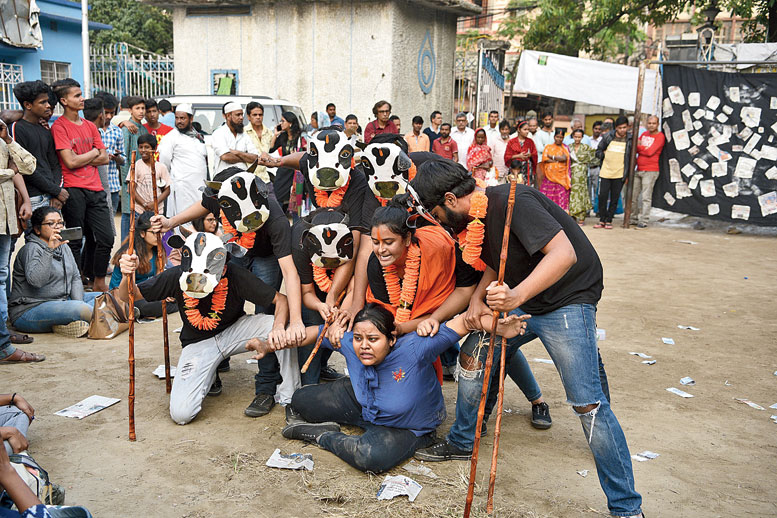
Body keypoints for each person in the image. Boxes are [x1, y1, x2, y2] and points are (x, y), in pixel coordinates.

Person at [409, 160, 644, 518]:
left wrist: (515, 297)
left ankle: (626, 508)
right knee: (473, 354)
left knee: (588, 403)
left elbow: (564, 254)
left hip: (568, 298)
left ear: (451, 199)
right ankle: (462, 440)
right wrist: (478, 299)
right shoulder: (476, 218)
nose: (439, 223)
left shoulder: (513, 200)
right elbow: (495, 258)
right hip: (523, 298)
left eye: (437, 214)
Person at [252, 304, 529, 473]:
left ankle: (322, 435)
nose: (363, 346)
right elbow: (316, 334)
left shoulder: (416, 348)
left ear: (392, 339)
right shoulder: (351, 343)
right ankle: (348, 418)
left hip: (408, 427)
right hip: (363, 403)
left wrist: (499, 328)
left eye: (373, 339)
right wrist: (269, 345)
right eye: (358, 338)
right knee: (300, 400)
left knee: (369, 457)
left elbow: (465, 321)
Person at [150, 167, 306, 418]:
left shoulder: (276, 219)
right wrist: (171, 222)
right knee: (217, 286)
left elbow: (290, 273)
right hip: (234, 247)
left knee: (267, 312)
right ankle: (215, 359)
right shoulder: (218, 197)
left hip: (266, 257)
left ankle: (266, 386)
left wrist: (294, 320)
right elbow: (203, 205)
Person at [117, 231, 289, 424]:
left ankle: (290, 394)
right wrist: (127, 275)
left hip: (235, 332)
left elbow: (281, 300)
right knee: (181, 414)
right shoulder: (176, 276)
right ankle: (209, 374)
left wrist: (278, 329)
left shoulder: (234, 274)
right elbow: (127, 296)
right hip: (198, 344)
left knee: (287, 329)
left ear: (223, 266)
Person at [50, 78, 112, 292]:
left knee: (106, 237)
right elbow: (70, 162)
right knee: (75, 240)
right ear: (64, 100)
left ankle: (98, 280)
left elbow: (104, 158)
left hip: (96, 188)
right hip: (73, 189)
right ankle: (76, 283)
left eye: (81, 94)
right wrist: (93, 152)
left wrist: (82, 157)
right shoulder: (59, 127)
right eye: (76, 95)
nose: (82, 98)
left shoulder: (89, 125)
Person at [9, 207, 98, 338]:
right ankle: (96, 319)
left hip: (62, 302)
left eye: (60, 223)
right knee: (85, 309)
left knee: (108, 298)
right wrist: (49, 250)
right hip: (30, 310)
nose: (57, 227)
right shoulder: (31, 249)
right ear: (37, 229)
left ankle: (69, 322)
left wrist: (77, 303)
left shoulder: (64, 246)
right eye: (51, 223)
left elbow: (75, 277)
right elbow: (37, 281)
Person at [11, 81, 66, 216]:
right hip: (33, 198)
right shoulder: (17, 128)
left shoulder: (45, 129)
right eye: (43, 102)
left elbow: (54, 164)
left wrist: (56, 192)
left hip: (52, 196)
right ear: (28, 105)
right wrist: (56, 190)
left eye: (47, 101)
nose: (48, 106)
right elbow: (24, 168)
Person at [109, 212, 177, 319]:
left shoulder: (157, 251)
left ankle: (141, 311)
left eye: (161, 233)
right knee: (153, 306)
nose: (159, 236)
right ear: (142, 233)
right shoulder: (131, 253)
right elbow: (129, 290)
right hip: (124, 295)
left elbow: (158, 280)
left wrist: (165, 294)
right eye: (154, 233)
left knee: (176, 297)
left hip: (145, 293)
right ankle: (134, 311)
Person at [157, 103, 208, 219]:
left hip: (199, 186)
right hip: (182, 187)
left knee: (199, 217)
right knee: (183, 218)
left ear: (191, 119)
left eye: (183, 118)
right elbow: (164, 162)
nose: (179, 121)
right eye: (177, 118)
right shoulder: (170, 137)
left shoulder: (198, 137)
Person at [119, 96, 149, 240]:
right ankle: (124, 249)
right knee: (128, 213)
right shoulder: (127, 129)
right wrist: (128, 181)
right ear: (130, 110)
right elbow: (124, 158)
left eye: (143, 108)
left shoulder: (143, 129)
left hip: (142, 179)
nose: (141, 111)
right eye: (137, 108)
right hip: (130, 179)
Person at [595, 116, 631, 229]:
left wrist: (627, 175)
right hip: (606, 171)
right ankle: (602, 219)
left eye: (624, 127)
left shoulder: (630, 139)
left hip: (620, 173)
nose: (622, 130)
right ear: (616, 128)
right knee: (602, 196)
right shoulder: (608, 136)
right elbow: (598, 151)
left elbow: (631, 158)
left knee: (615, 198)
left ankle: (609, 220)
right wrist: (603, 154)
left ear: (627, 127)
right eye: (620, 128)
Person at [93, 91, 125, 215]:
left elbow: (123, 160)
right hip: (94, 185)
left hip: (113, 186)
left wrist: (116, 157)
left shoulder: (117, 131)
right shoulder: (89, 129)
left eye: (112, 113)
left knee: (110, 221)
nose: (109, 116)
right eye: (106, 112)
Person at [269, 111, 307, 215]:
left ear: (290, 123)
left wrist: (297, 154)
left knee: (296, 196)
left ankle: (296, 219)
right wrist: (275, 135)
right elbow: (271, 149)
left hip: (296, 170)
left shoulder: (300, 136)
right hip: (284, 169)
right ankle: (278, 216)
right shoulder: (283, 136)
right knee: (278, 194)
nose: (280, 123)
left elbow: (306, 151)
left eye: (283, 121)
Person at [630, 115, 665, 228]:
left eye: (654, 123)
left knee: (646, 197)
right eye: (649, 123)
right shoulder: (644, 134)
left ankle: (644, 220)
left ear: (658, 124)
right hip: (639, 169)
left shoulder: (660, 136)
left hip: (651, 170)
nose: (651, 125)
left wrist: (640, 147)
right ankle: (633, 218)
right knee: (633, 196)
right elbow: (634, 147)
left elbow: (650, 152)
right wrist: (642, 148)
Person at [212, 102, 258, 175]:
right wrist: (245, 157)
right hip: (224, 177)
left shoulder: (244, 135)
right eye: (238, 115)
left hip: (243, 176)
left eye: (242, 114)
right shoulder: (219, 133)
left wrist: (237, 152)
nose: (241, 118)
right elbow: (225, 157)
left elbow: (254, 158)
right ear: (228, 116)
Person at [130, 134, 171, 214]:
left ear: (154, 149)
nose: (143, 150)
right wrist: (144, 204)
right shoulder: (135, 165)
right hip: (139, 210)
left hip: (158, 210)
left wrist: (154, 203)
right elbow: (131, 188)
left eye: (147, 147)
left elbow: (167, 190)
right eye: (141, 147)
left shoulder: (161, 167)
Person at [540, 128, 571, 211]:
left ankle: (561, 213)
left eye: (561, 137)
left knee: (560, 195)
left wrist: (552, 157)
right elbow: (545, 159)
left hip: (562, 178)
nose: (559, 139)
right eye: (557, 137)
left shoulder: (565, 148)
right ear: (554, 137)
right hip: (549, 177)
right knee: (548, 196)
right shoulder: (548, 147)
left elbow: (565, 158)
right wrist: (558, 160)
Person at [569, 129, 596, 224]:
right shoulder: (569, 147)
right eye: (575, 137)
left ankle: (581, 216)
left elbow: (593, 158)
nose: (577, 139)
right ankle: (572, 215)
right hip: (571, 172)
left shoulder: (586, 148)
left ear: (582, 137)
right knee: (572, 193)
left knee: (582, 193)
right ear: (573, 136)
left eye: (579, 137)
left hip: (582, 174)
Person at [244, 101, 273, 183]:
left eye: (260, 115)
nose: (258, 117)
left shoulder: (269, 133)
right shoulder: (243, 133)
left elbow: (272, 150)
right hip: (248, 180)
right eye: (255, 115)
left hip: (265, 179)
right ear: (248, 116)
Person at [504, 120, 538, 185]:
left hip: (527, 169)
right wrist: (518, 156)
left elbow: (535, 154)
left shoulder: (530, 142)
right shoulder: (511, 142)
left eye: (528, 130)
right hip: (515, 168)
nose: (527, 131)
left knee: (526, 187)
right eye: (525, 129)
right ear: (519, 130)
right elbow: (507, 156)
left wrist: (530, 155)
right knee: (514, 187)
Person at [588, 120, 604, 211]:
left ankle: (597, 209)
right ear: (593, 129)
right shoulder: (588, 140)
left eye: (599, 129)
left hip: (597, 168)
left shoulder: (602, 141)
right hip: (588, 168)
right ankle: (588, 209)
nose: (597, 131)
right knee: (588, 190)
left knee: (597, 189)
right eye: (596, 128)